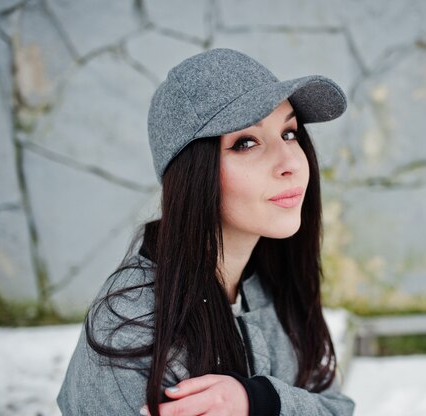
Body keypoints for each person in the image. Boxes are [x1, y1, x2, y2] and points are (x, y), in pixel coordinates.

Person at [57, 48, 354, 416]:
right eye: (246, 143)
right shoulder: (132, 326)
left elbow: (337, 407)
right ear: (193, 176)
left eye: (289, 133)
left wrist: (260, 401)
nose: (291, 162)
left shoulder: (276, 280)